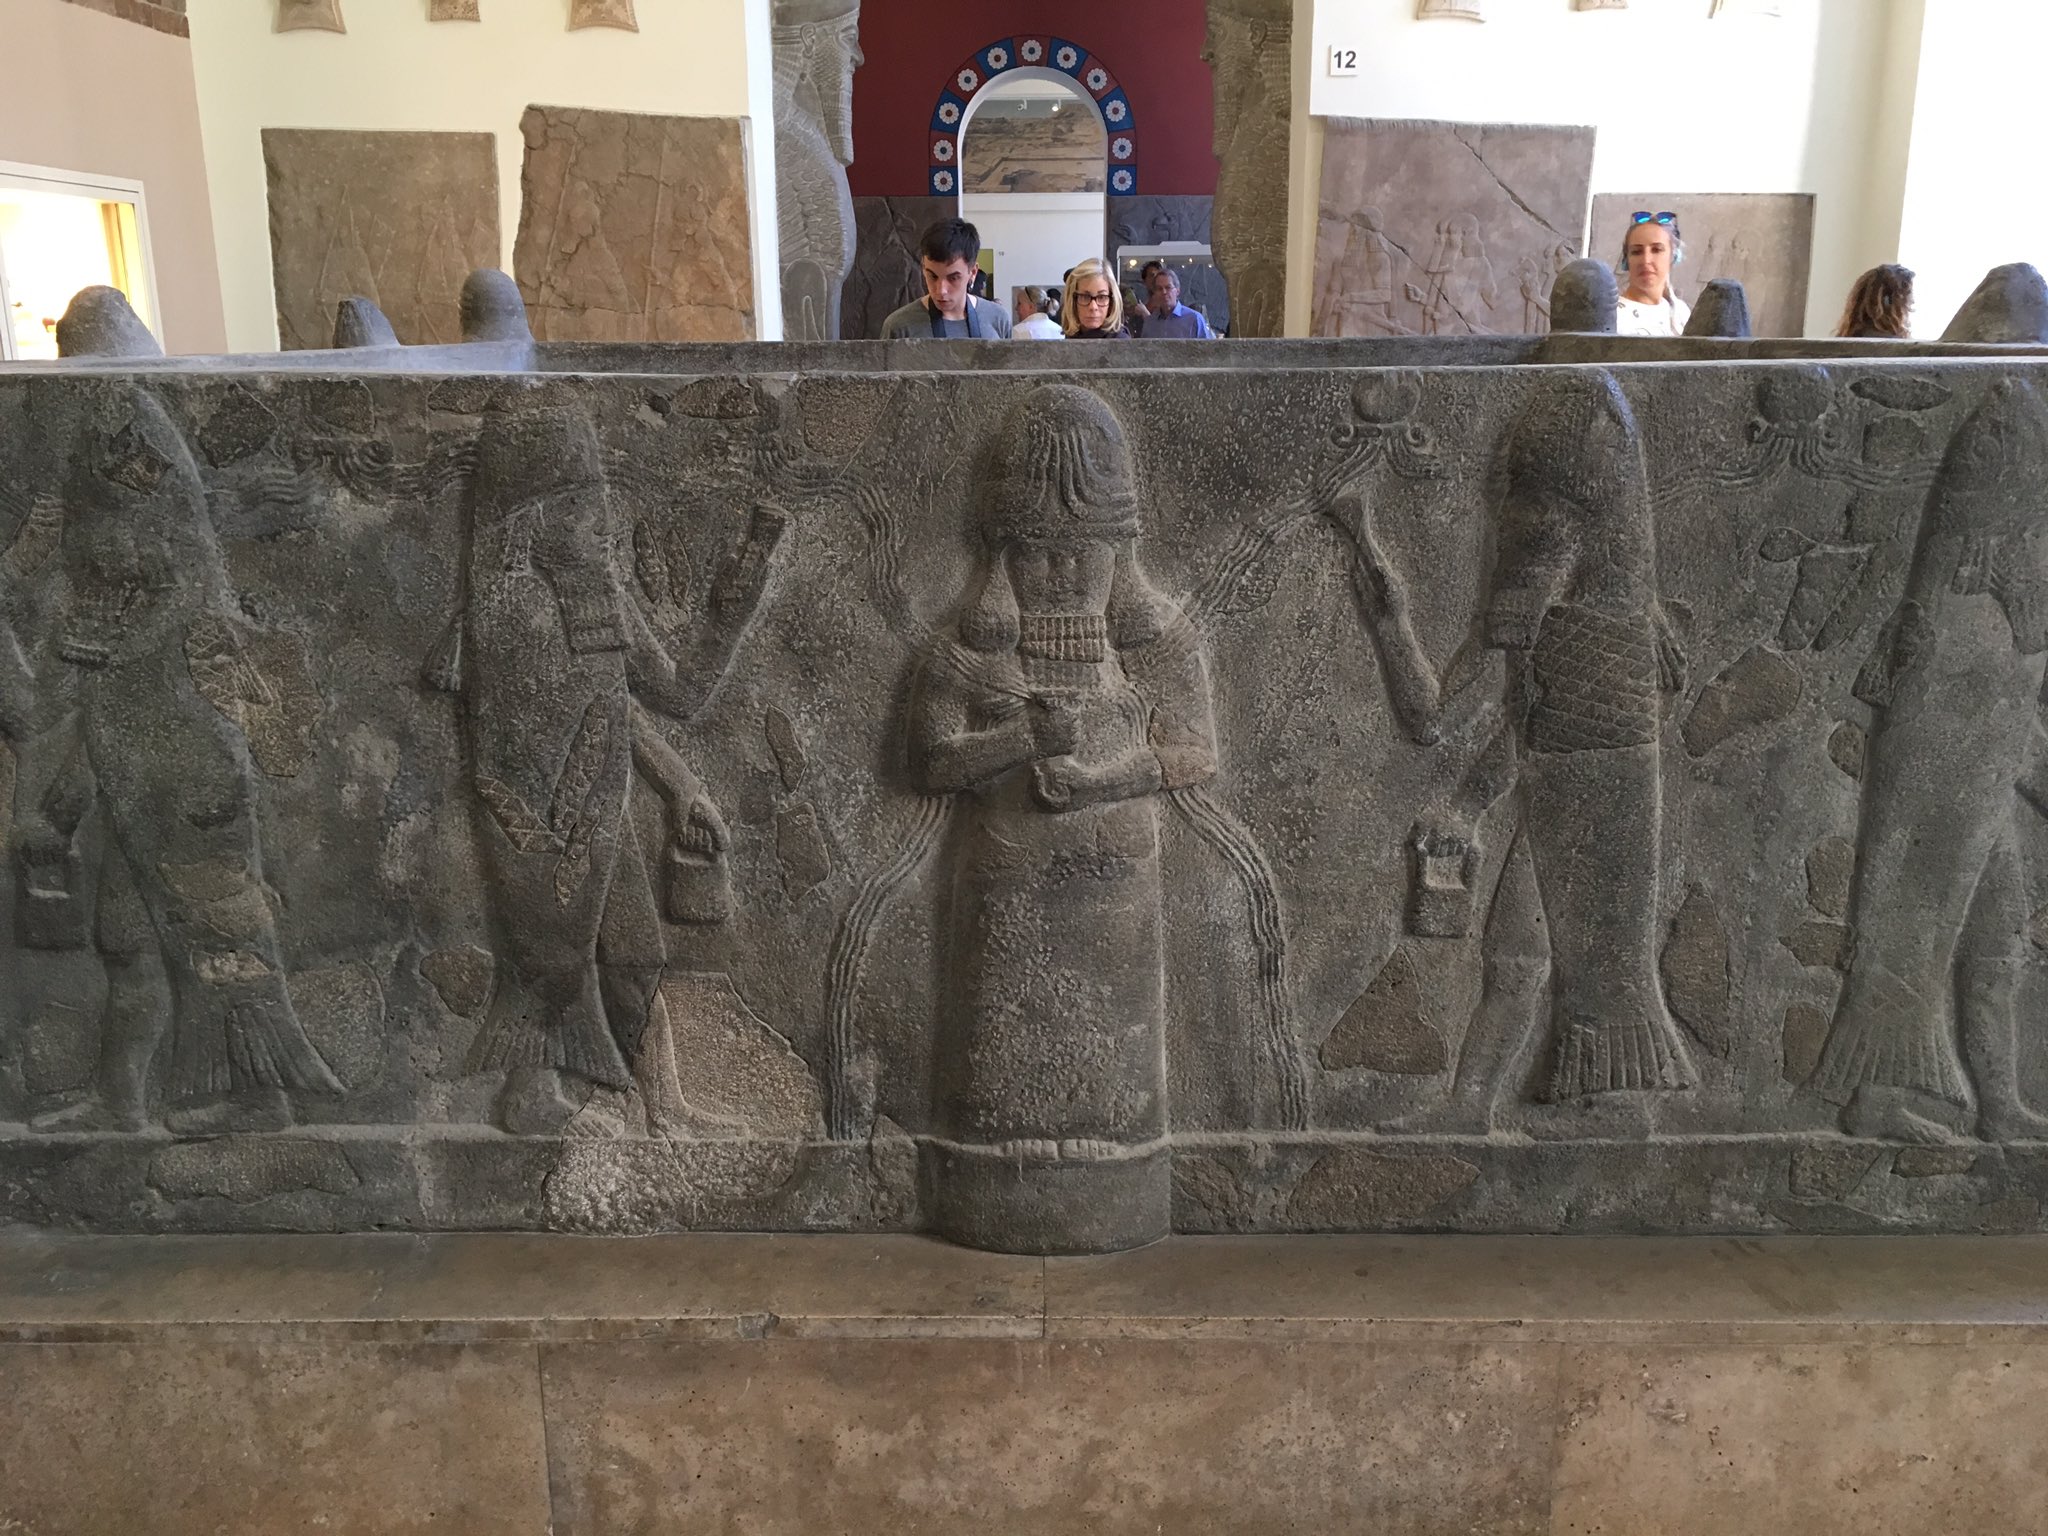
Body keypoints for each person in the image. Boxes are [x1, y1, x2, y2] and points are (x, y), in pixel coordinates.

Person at [880, 218, 1013, 339]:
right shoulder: (899, 326)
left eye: (953, 278)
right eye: (933, 276)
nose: (941, 290)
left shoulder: (998, 319)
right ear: (923, 267)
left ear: (973, 272)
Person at [1614, 211, 1691, 337]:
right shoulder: (1614, 316)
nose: (1646, 260)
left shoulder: (1681, 314)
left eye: (1656, 250)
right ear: (1626, 260)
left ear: (1674, 256)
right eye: (1637, 252)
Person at [1136, 264, 1215, 339]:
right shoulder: (1150, 322)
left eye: (1168, 287)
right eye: (1159, 289)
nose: (1164, 292)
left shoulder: (1194, 319)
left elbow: (1208, 347)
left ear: (1177, 291)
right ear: (1155, 293)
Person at [1837, 263, 1915, 339]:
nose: (1912, 301)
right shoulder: (1891, 342)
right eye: (1908, 294)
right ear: (1888, 302)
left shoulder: (1846, 336)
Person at [1062, 257, 1130, 339]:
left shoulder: (1121, 341)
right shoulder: (1072, 336)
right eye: (1085, 297)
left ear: (1112, 301)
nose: (1093, 307)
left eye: (1101, 297)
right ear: (1073, 301)